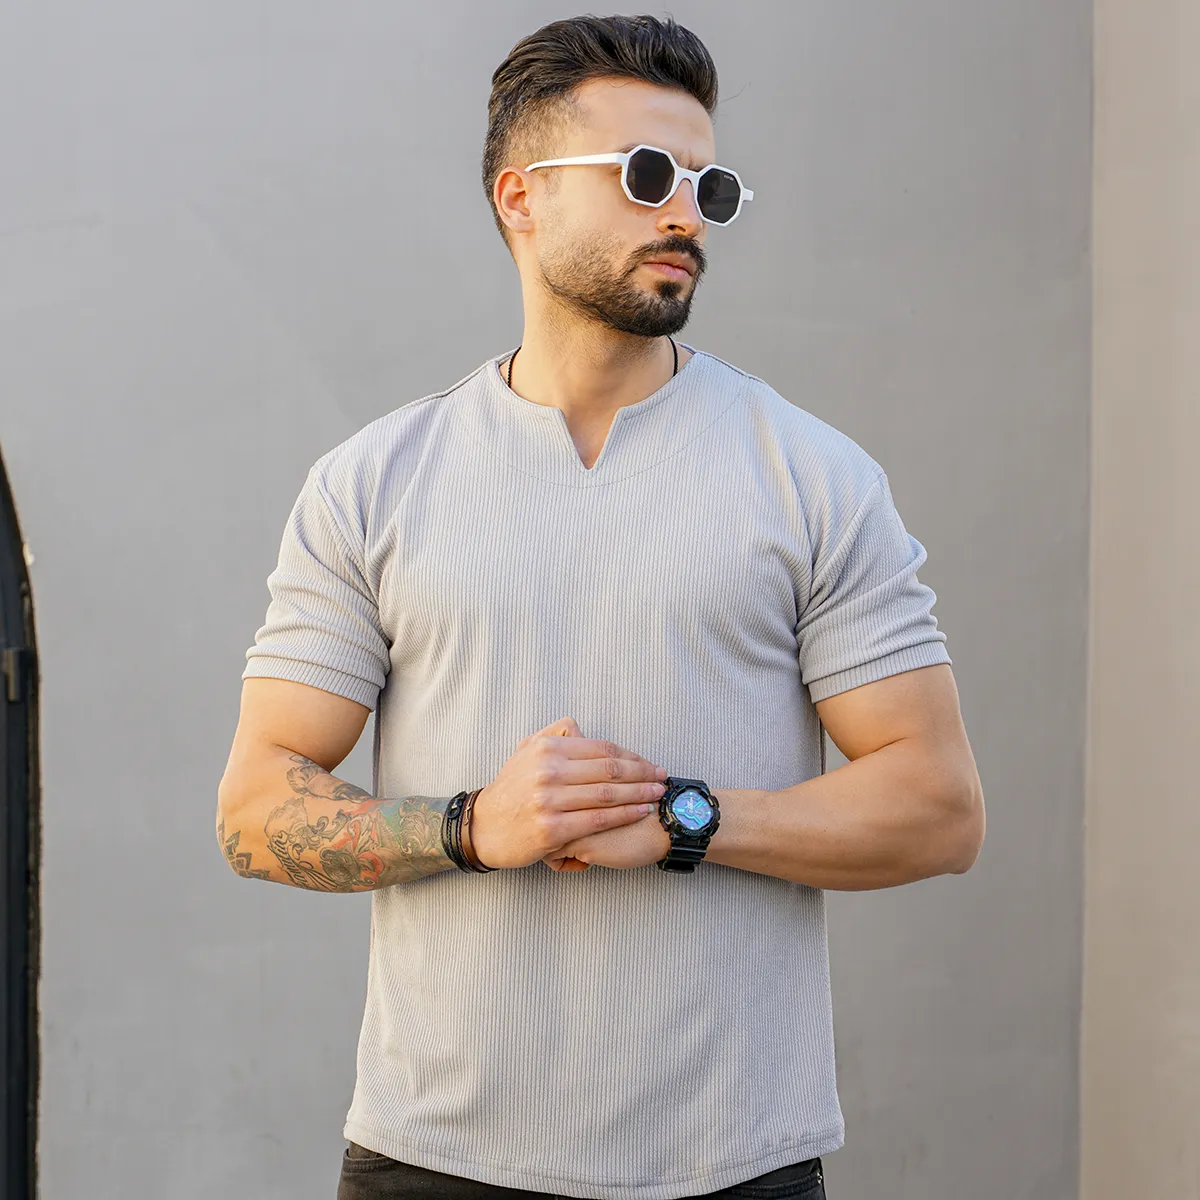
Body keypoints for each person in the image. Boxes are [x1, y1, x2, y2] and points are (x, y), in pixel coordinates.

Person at [217, 14, 985, 1200]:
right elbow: (255, 810)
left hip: (734, 1162)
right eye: (645, 174)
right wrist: (470, 827)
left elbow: (937, 810)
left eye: (707, 186)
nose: (686, 216)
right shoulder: (372, 483)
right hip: (435, 1159)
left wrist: (683, 819)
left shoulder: (813, 476)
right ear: (520, 196)